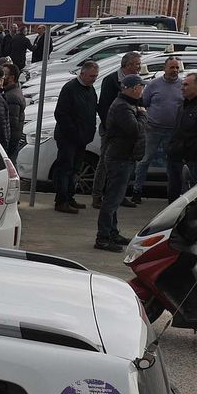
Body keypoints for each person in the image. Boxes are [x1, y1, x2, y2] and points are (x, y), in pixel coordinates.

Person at [96, 75, 147, 250]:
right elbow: (135, 130)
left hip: (125, 156)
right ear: (134, 89)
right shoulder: (123, 107)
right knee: (112, 199)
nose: (143, 91)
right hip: (119, 158)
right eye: (142, 87)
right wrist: (142, 116)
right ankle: (103, 238)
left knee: (115, 199)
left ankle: (112, 232)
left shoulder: (127, 105)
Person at [94, 53, 144, 208]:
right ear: (127, 65)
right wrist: (111, 128)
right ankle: (97, 195)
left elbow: (140, 104)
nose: (139, 67)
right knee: (104, 162)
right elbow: (104, 107)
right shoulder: (111, 80)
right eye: (136, 64)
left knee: (127, 165)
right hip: (113, 132)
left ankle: (120, 195)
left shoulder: (137, 81)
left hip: (129, 133)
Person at [52, 60, 100, 213]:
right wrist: (74, 132)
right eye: (91, 76)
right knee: (65, 169)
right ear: (83, 73)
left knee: (75, 170)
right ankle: (61, 200)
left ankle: (70, 197)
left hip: (82, 138)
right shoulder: (70, 88)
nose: (94, 79)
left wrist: (88, 132)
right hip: (68, 138)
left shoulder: (90, 89)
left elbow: (91, 112)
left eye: (95, 76)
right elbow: (61, 114)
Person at [139, 56, 185, 201]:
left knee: (172, 164)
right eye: (172, 67)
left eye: (177, 67)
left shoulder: (183, 85)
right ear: (165, 68)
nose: (175, 70)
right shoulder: (154, 84)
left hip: (173, 131)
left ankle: (172, 193)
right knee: (145, 160)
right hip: (153, 129)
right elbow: (144, 103)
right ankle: (137, 191)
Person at [165, 72, 197, 200]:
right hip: (174, 156)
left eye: (186, 85)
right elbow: (177, 130)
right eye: (182, 85)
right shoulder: (184, 105)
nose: (182, 88)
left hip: (189, 161)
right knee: (173, 192)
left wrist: (188, 155)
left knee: (187, 195)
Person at [0, 62, 28, 158]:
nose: (1, 77)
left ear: (12, 78)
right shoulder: (10, 92)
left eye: (4, 75)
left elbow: (11, 122)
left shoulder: (12, 96)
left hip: (10, 141)